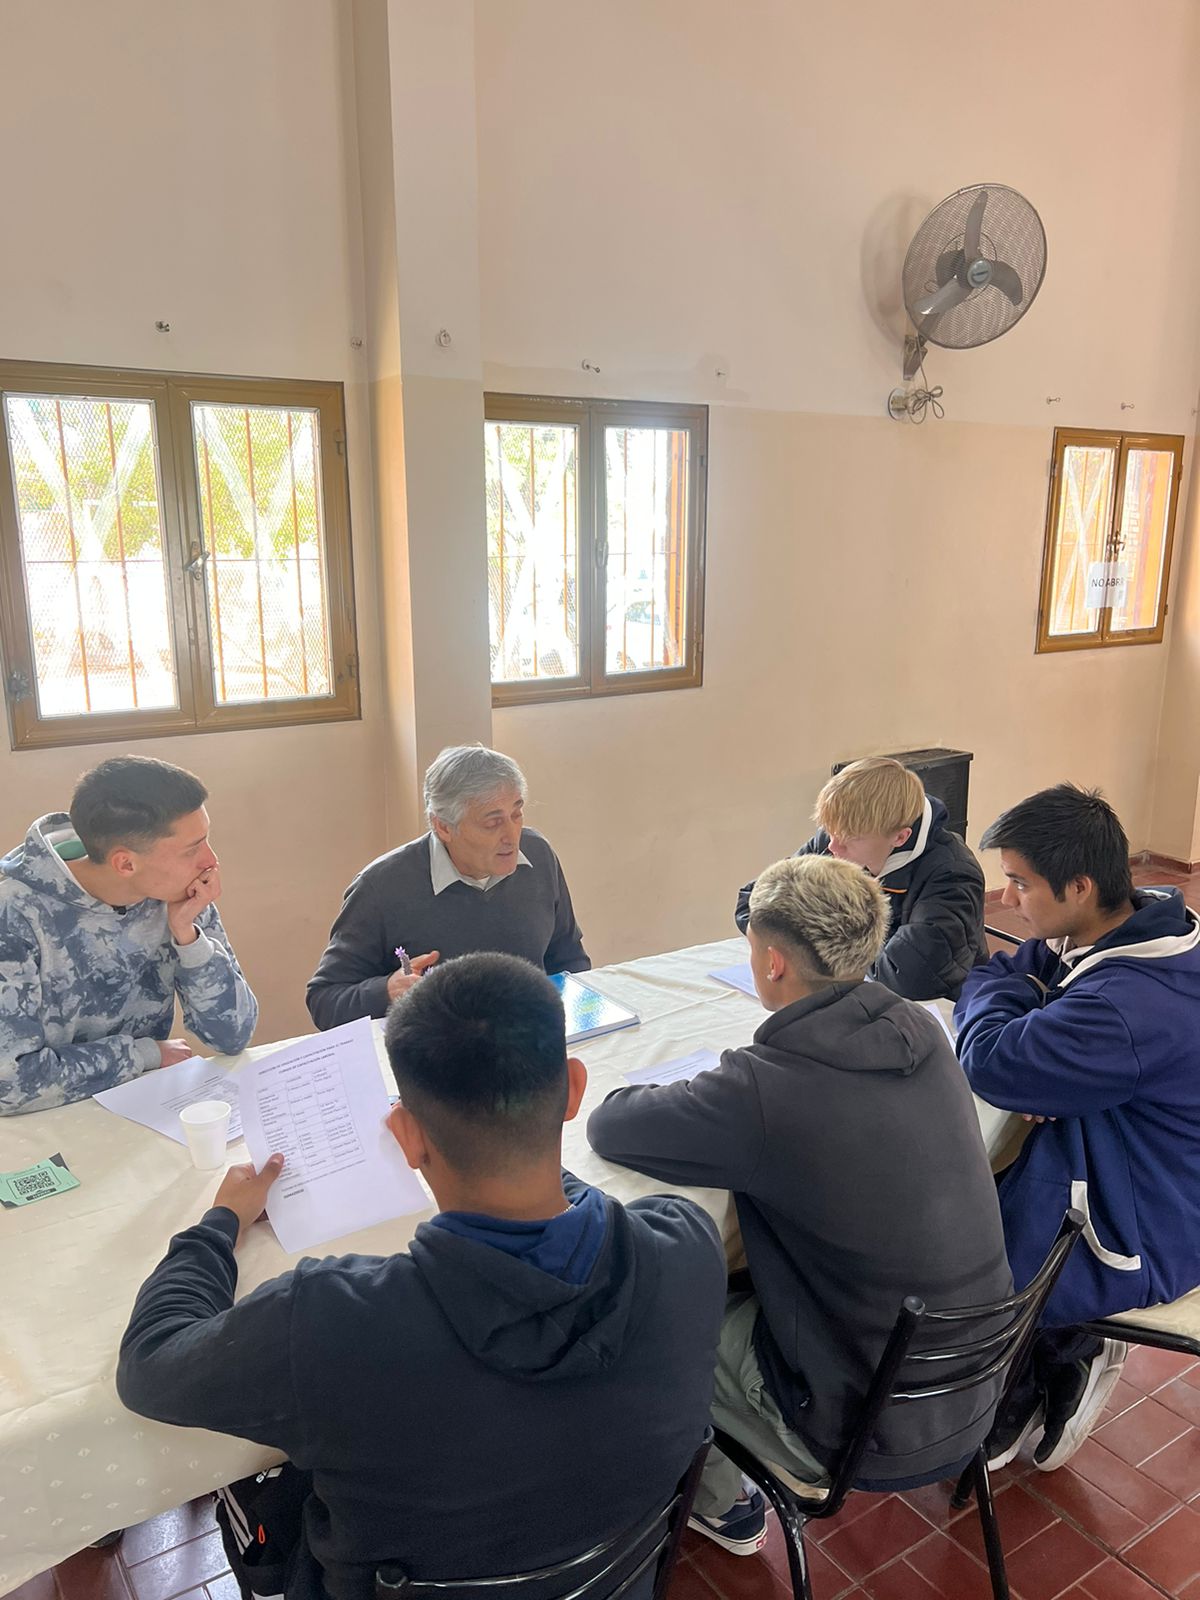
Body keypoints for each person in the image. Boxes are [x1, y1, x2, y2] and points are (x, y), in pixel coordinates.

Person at [117, 953, 726, 1600]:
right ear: (574, 1089)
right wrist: (527, 1153)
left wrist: (220, 1224)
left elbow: (150, 1363)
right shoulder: (686, 1243)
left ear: (405, 1136)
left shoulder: (330, 1323)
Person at [591, 854, 1011, 1557]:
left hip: (852, 1424)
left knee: (648, 1317)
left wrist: (720, 1087)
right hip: (971, 1386)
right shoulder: (921, 1030)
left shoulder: (766, 1089)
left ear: (773, 961)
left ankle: (722, 1504)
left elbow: (612, 1124)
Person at [956, 784, 1200, 1472]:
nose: (1007, 900)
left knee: (971, 1254)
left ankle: (1069, 1350)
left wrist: (1024, 1030)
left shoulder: (1124, 1003)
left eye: (1020, 882)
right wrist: (1039, 1041)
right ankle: (1043, 1361)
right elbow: (1019, 970)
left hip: (1155, 1212)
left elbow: (989, 1059)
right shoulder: (1142, 920)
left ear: (1081, 886)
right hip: (1148, 1151)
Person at [0, 756, 257, 1115]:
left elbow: (233, 1035)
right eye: (192, 849)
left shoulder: (176, 896)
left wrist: (189, 937)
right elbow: (10, 1084)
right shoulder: (14, 912)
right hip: (41, 1122)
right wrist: (141, 1055)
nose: (211, 861)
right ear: (125, 863)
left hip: (142, 1106)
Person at [307, 745, 589, 1030]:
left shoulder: (539, 855)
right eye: (492, 823)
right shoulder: (380, 888)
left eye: (517, 814)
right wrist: (387, 991)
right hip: (438, 1049)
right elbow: (325, 1000)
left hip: (531, 1040)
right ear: (443, 827)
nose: (511, 836)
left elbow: (569, 958)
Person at [735, 757, 987, 1001]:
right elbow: (755, 903)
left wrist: (813, 941)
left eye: (849, 838)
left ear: (900, 837)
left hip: (942, 1006)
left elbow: (910, 975)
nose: (832, 847)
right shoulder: (836, 841)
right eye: (830, 831)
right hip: (860, 991)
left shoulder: (952, 873)